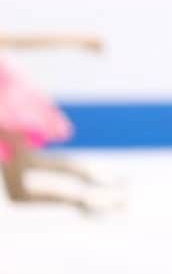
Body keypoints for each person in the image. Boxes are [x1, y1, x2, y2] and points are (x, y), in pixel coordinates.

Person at [0, 33, 119, 213]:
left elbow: (29, 41)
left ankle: (91, 179)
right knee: (18, 192)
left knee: (27, 163)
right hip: (9, 115)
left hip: (8, 115)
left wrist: (79, 41)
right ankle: (86, 195)